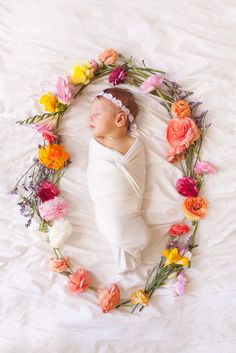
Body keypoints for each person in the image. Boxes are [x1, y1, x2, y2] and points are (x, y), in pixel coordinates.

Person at [86, 87, 152, 274]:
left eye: (97, 114)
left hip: (129, 211)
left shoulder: (135, 144)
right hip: (107, 208)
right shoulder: (96, 144)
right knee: (111, 225)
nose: (90, 118)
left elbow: (139, 173)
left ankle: (128, 250)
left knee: (117, 227)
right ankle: (126, 253)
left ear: (120, 119)